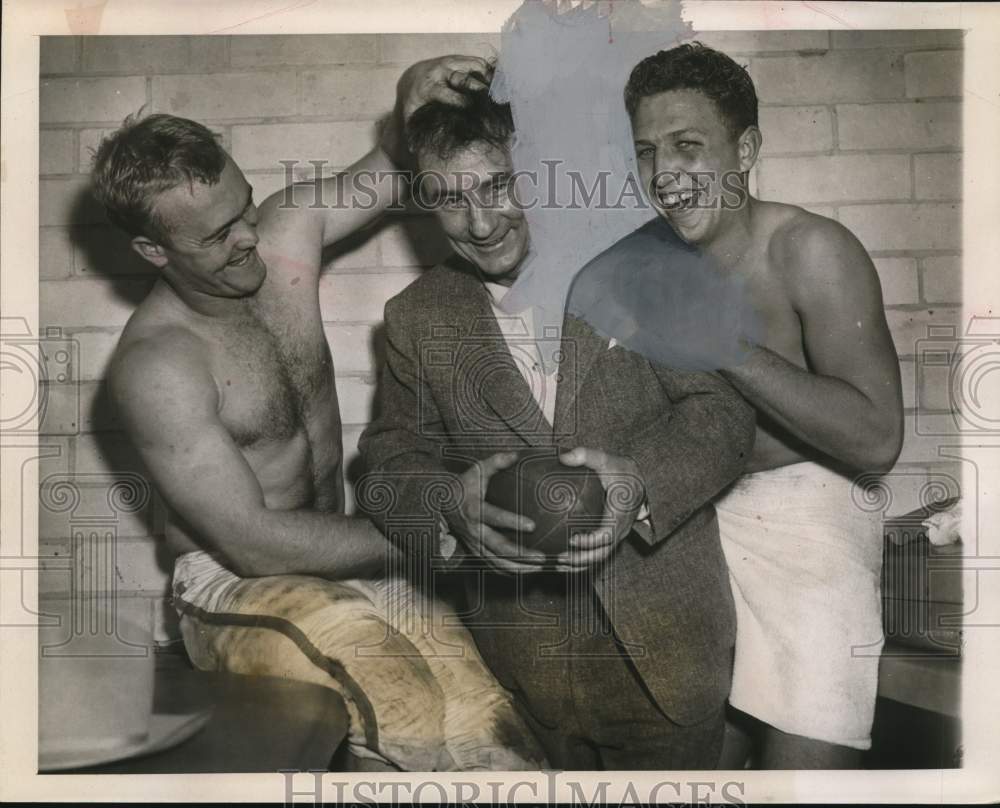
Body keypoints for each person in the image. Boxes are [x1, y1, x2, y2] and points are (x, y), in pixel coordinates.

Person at [92, 56, 547, 772]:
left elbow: (402, 164)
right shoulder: (158, 366)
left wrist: (409, 99)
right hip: (231, 584)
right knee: (402, 708)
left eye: (243, 206)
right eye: (215, 236)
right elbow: (258, 546)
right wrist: (443, 531)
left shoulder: (282, 233)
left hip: (353, 564)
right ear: (153, 250)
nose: (248, 237)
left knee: (492, 731)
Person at [357, 84, 756, 770]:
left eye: (499, 186)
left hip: (667, 657)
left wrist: (640, 484)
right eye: (452, 200)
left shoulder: (644, 265)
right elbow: (388, 462)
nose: (481, 224)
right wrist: (450, 505)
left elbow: (722, 413)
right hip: (519, 679)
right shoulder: (415, 317)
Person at [620, 42, 904, 768]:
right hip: (696, 519)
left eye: (689, 147)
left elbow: (875, 440)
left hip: (815, 518)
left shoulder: (811, 249)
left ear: (744, 149)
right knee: (690, 762)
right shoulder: (640, 263)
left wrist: (727, 346)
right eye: (648, 151)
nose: (666, 175)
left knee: (805, 778)